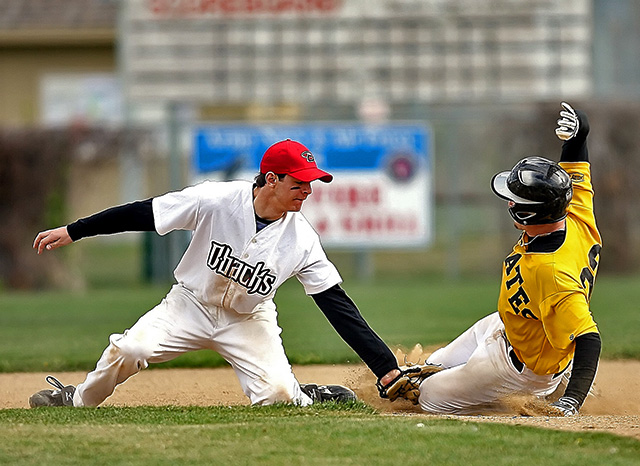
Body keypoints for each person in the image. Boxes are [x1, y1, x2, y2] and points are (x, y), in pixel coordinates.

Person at [29, 138, 403, 408]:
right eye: (299, 182)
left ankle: (303, 393)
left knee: (279, 398)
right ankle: (76, 399)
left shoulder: (301, 238)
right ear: (271, 179)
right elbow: (146, 212)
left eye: (310, 183)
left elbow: (337, 306)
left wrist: (384, 367)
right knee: (131, 348)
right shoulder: (216, 200)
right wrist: (75, 230)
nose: (307, 190)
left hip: (247, 319)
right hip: (189, 304)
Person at [383, 102, 602, 415]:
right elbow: (576, 169)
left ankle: (536, 394)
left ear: (527, 212)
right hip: (510, 324)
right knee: (431, 366)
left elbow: (589, 339)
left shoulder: (552, 273)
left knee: (425, 397)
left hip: (519, 369)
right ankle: (542, 380)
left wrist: (572, 402)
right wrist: (578, 137)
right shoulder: (575, 213)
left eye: (514, 200)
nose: (509, 202)